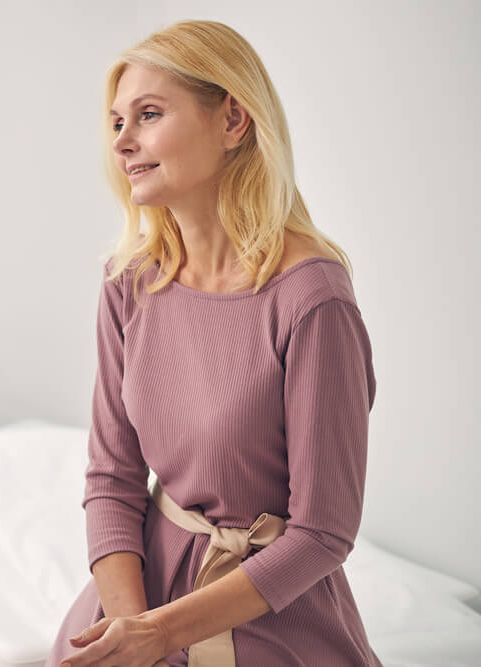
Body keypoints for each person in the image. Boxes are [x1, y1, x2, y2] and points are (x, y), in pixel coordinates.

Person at [48, 21, 379, 667]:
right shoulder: (129, 283)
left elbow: (322, 533)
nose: (124, 142)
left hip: (267, 613)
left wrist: (164, 634)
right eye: (117, 123)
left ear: (233, 121)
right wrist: (132, 627)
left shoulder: (312, 299)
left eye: (148, 114)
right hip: (135, 602)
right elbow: (112, 478)